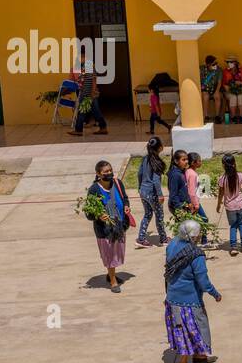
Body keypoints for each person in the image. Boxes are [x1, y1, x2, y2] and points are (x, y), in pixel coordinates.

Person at [164, 218, 221, 363]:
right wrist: (215, 294)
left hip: (172, 297)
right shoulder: (197, 255)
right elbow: (203, 281)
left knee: (181, 329)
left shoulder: (172, 244)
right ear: (193, 236)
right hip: (189, 301)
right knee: (194, 329)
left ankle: (200, 356)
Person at [86, 159, 130, 293]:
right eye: (106, 172)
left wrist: (127, 206)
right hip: (105, 229)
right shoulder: (94, 189)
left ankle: (111, 274)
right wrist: (98, 216)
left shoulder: (117, 183)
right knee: (109, 255)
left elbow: (125, 198)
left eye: (110, 170)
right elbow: (89, 212)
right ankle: (113, 281)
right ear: (98, 174)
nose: (109, 173)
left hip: (119, 224)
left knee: (117, 252)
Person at [215, 153, 242, 256]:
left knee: (233, 226)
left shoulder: (222, 179)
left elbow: (220, 194)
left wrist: (218, 205)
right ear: (234, 163)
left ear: (223, 165)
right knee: (241, 224)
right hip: (241, 205)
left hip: (230, 207)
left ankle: (233, 247)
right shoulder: (240, 176)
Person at [135, 136, 169, 249]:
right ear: (160, 148)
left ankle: (141, 238)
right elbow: (155, 180)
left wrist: (140, 188)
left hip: (143, 192)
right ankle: (163, 239)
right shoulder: (157, 162)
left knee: (147, 214)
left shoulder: (145, 159)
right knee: (159, 215)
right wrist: (160, 194)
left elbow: (139, 174)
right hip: (152, 193)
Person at [68, 50, 108, 136]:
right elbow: (82, 79)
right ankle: (103, 127)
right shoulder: (84, 67)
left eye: (80, 58)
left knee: (81, 111)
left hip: (88, 92)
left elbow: (93, 79)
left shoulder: (88, 65)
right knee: (95, 111)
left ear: (83, 58)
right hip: (86, 91)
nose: (78, 60)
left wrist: (93, 91)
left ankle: (78, 130)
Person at [185, 152, 211, 243]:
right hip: (194, 202)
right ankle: (204, 240)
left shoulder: (188, 171)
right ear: (193, 163)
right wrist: (195, 204)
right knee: (204, 219)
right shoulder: (193, 174)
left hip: (190, 201)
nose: (201, 162)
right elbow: (191, 191)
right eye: (199, 161)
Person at [222, 56, 242, 123]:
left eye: (231, 62)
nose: (229, 63)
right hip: (229, 90)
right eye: (228, 62)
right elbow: (223, 83)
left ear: (235, 63)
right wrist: (227, 87)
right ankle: (233, 117)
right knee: (233, 97)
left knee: (240, 96)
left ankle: (241, 116)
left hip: (240, 90)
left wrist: (241, 83)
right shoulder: (225, 71)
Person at [166, 150, 189, 219]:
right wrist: (179, 208)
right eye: (183, 160)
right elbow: (173, 194)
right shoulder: (175, 175)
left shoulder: (181, 172)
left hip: (184, 204)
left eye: (187, 159)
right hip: (177, 206)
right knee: (184, 227)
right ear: (176, 161)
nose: (186, 161)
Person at [199, 55, 223, 122]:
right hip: (205, 88)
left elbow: (219, 82)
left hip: (215, 88)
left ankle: (217, 116)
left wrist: (217, 91)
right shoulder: (202, 69)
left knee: (217, 96)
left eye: (216, 63)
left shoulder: (219, 70)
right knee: (205, 96)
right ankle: (206, 116)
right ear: (208, 64)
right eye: (213, 64)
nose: (215, 65)